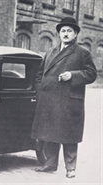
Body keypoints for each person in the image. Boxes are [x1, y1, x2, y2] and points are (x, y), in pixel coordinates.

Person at [31, 17, 97, 178]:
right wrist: (40, 89)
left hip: (69, 99)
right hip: (49, 99)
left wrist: (73, 75)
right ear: (59, 34)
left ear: (75, 34)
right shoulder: (51, 51)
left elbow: (91, 74)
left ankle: (70, 167)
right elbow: (40, 74)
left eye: (69, 31)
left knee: (69, 134)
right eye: (63, 31)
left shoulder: (82, 53)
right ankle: (51, 163)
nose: (65, 34)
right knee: (50, 133)